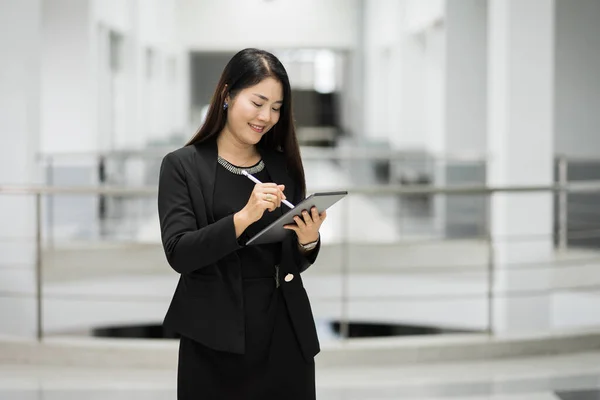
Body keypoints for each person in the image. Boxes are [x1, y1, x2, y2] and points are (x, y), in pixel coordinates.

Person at [157, 48, 327, 399]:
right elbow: (180, 254)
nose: (266, 116)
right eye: (258, 102)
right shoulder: (182, 167)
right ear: (227, 95)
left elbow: (292, 261)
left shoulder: (282, 166)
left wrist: (307, 241)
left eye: (277, 108)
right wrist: (243, 218)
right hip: (215, 340)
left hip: (284, 334)